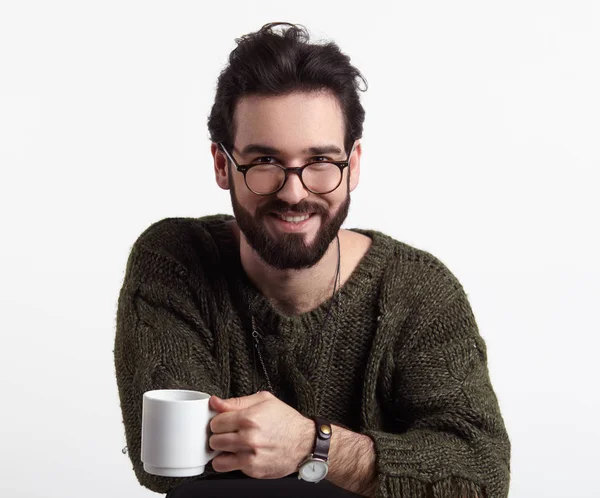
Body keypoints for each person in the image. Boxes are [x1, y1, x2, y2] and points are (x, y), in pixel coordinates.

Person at [114, 22, 511, 498]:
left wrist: (313, 445)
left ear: (354, 164)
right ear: (223, 165)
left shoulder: (418, 293)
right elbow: (168, 463)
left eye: (321, 161)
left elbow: (480, 476)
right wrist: (377, 471)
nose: (295, 192)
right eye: (265, 162)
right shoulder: (175, 262)